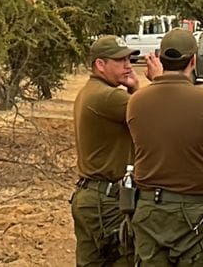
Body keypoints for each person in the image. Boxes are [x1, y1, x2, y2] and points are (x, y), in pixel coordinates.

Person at [126, 28, 203, 267]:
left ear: (159, 58)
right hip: (194, 211)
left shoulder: (137, 101)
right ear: (193, 60)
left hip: (150, 209)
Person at [72, 35, 142, 267]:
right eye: (120, 60)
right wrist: (145, 85)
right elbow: (152, 115)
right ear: (100, 65)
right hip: (107, 200)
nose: (128, 66)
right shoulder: (108, 96)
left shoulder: (90, 91)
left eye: (128, 59)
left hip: (89, 196)